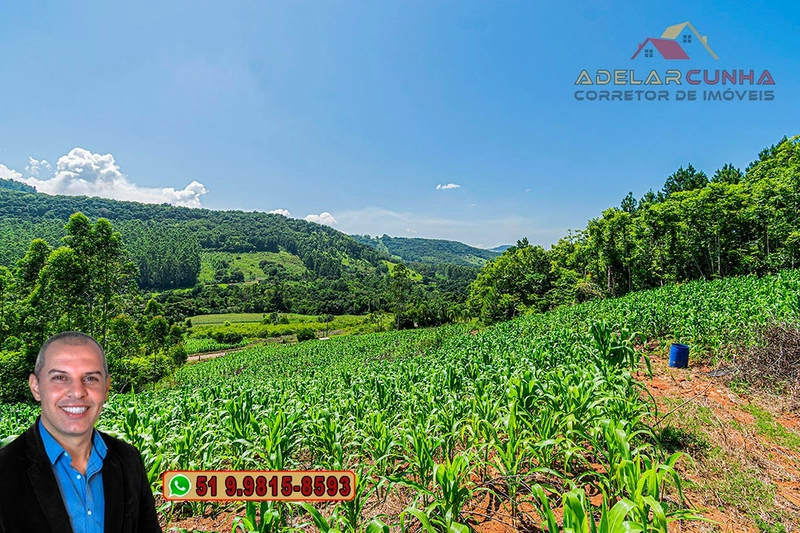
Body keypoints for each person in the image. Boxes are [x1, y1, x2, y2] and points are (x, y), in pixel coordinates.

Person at [0, 331, 162, 533]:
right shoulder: (4, 471)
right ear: (36, 387)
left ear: (106, 388)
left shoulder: (129, 460)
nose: (77, 392)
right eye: (60, 377)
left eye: (91, 378)